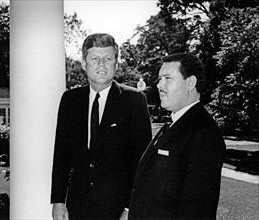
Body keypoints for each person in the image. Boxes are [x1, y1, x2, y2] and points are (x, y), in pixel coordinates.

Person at [51, 33, 152, 220]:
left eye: (108, 59)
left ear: (116, 64)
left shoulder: (134, 100)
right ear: (84, 64)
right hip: (77, 205)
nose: (101, 65)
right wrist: (58, 201)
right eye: (94, 58)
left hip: (118, 208)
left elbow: (142, 163)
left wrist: (130, 208)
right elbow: (61, 155)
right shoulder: (70, 100)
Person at [129, 53, 226, 219]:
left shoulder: (203, 134)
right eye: (160, 78)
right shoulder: (174, 123)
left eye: (168, 78)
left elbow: (197, 211)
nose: (159, 84)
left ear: (190, 83)